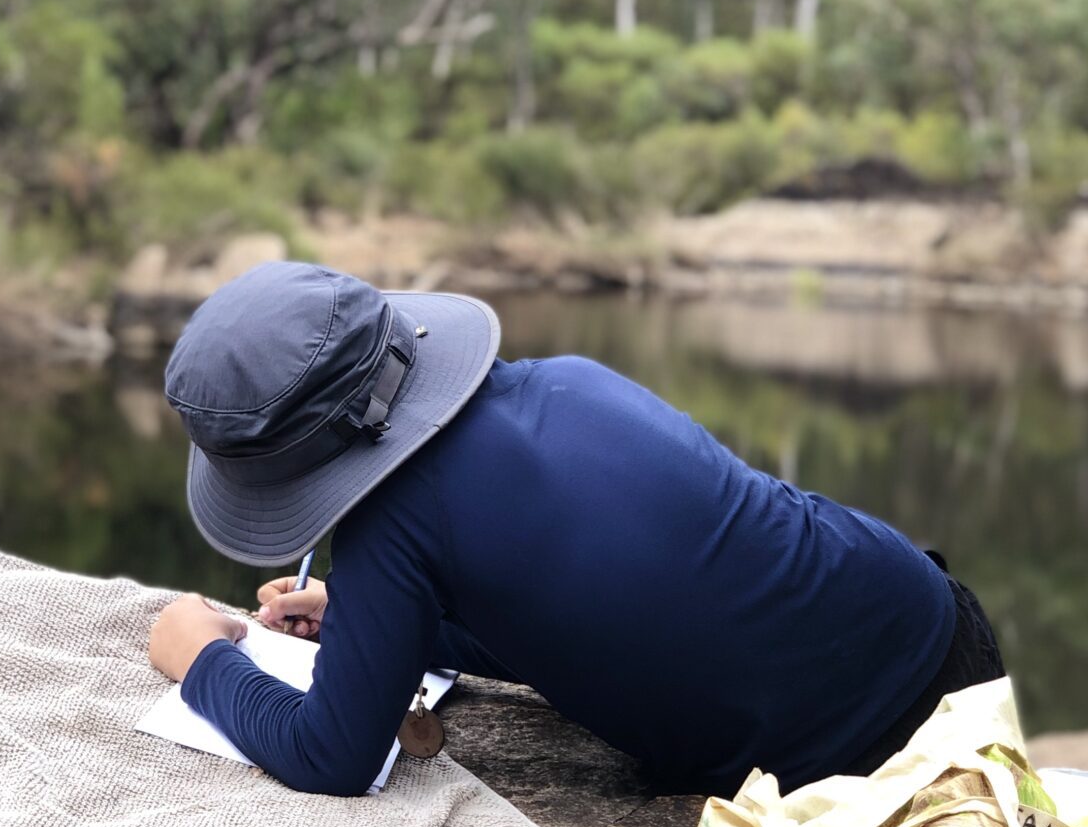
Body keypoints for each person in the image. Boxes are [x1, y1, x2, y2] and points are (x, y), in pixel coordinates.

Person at [148, 261, 1004, 797]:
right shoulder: (563, 380)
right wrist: (368, 619)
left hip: (853, 758)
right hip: (933, 624)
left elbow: (331, 756)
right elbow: (595, 602)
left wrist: (202, 657)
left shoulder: (392, 528)